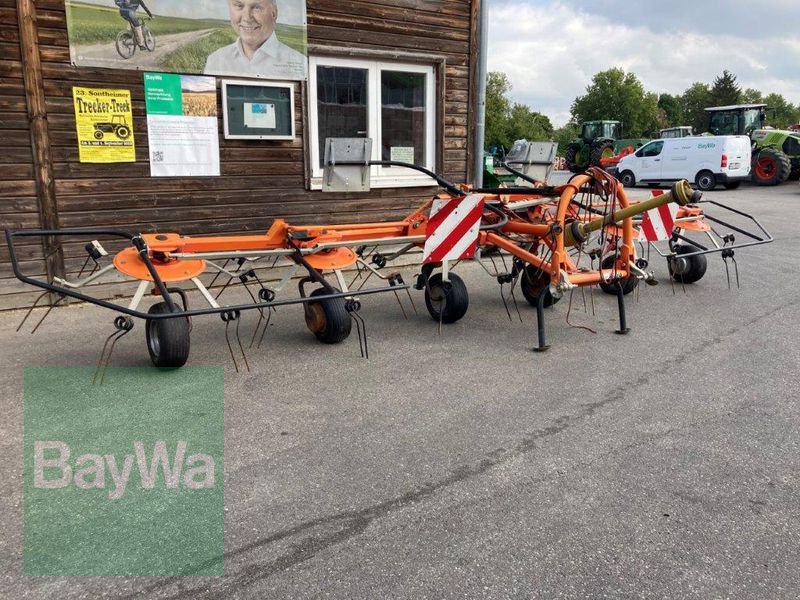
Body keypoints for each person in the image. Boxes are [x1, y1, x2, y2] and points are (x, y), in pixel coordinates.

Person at [204, 0, 306, 80]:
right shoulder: (215, 60)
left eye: (257, 7)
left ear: (274, 13)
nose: (247, 18)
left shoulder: (299, 62)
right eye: (239, 6)